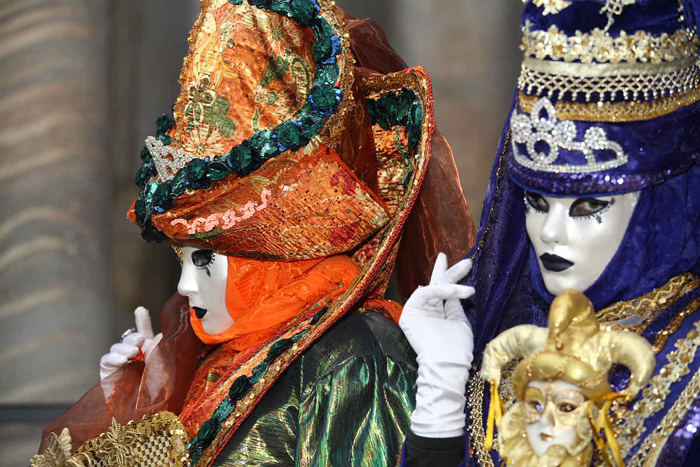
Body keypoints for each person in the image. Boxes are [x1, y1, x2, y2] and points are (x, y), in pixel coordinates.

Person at [33, 1, 474, 466]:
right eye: (183, 258)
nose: (185, 286)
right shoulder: (224, 357)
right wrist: (135, 406)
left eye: (205, 258)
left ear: (271, 252)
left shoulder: (351, 359)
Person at [399, 0, 700, 465]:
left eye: (588, 206)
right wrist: (443, 381)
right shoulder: (504, 361)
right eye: (537, 203)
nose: (550, 233)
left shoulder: (688, 368)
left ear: (658, 207)